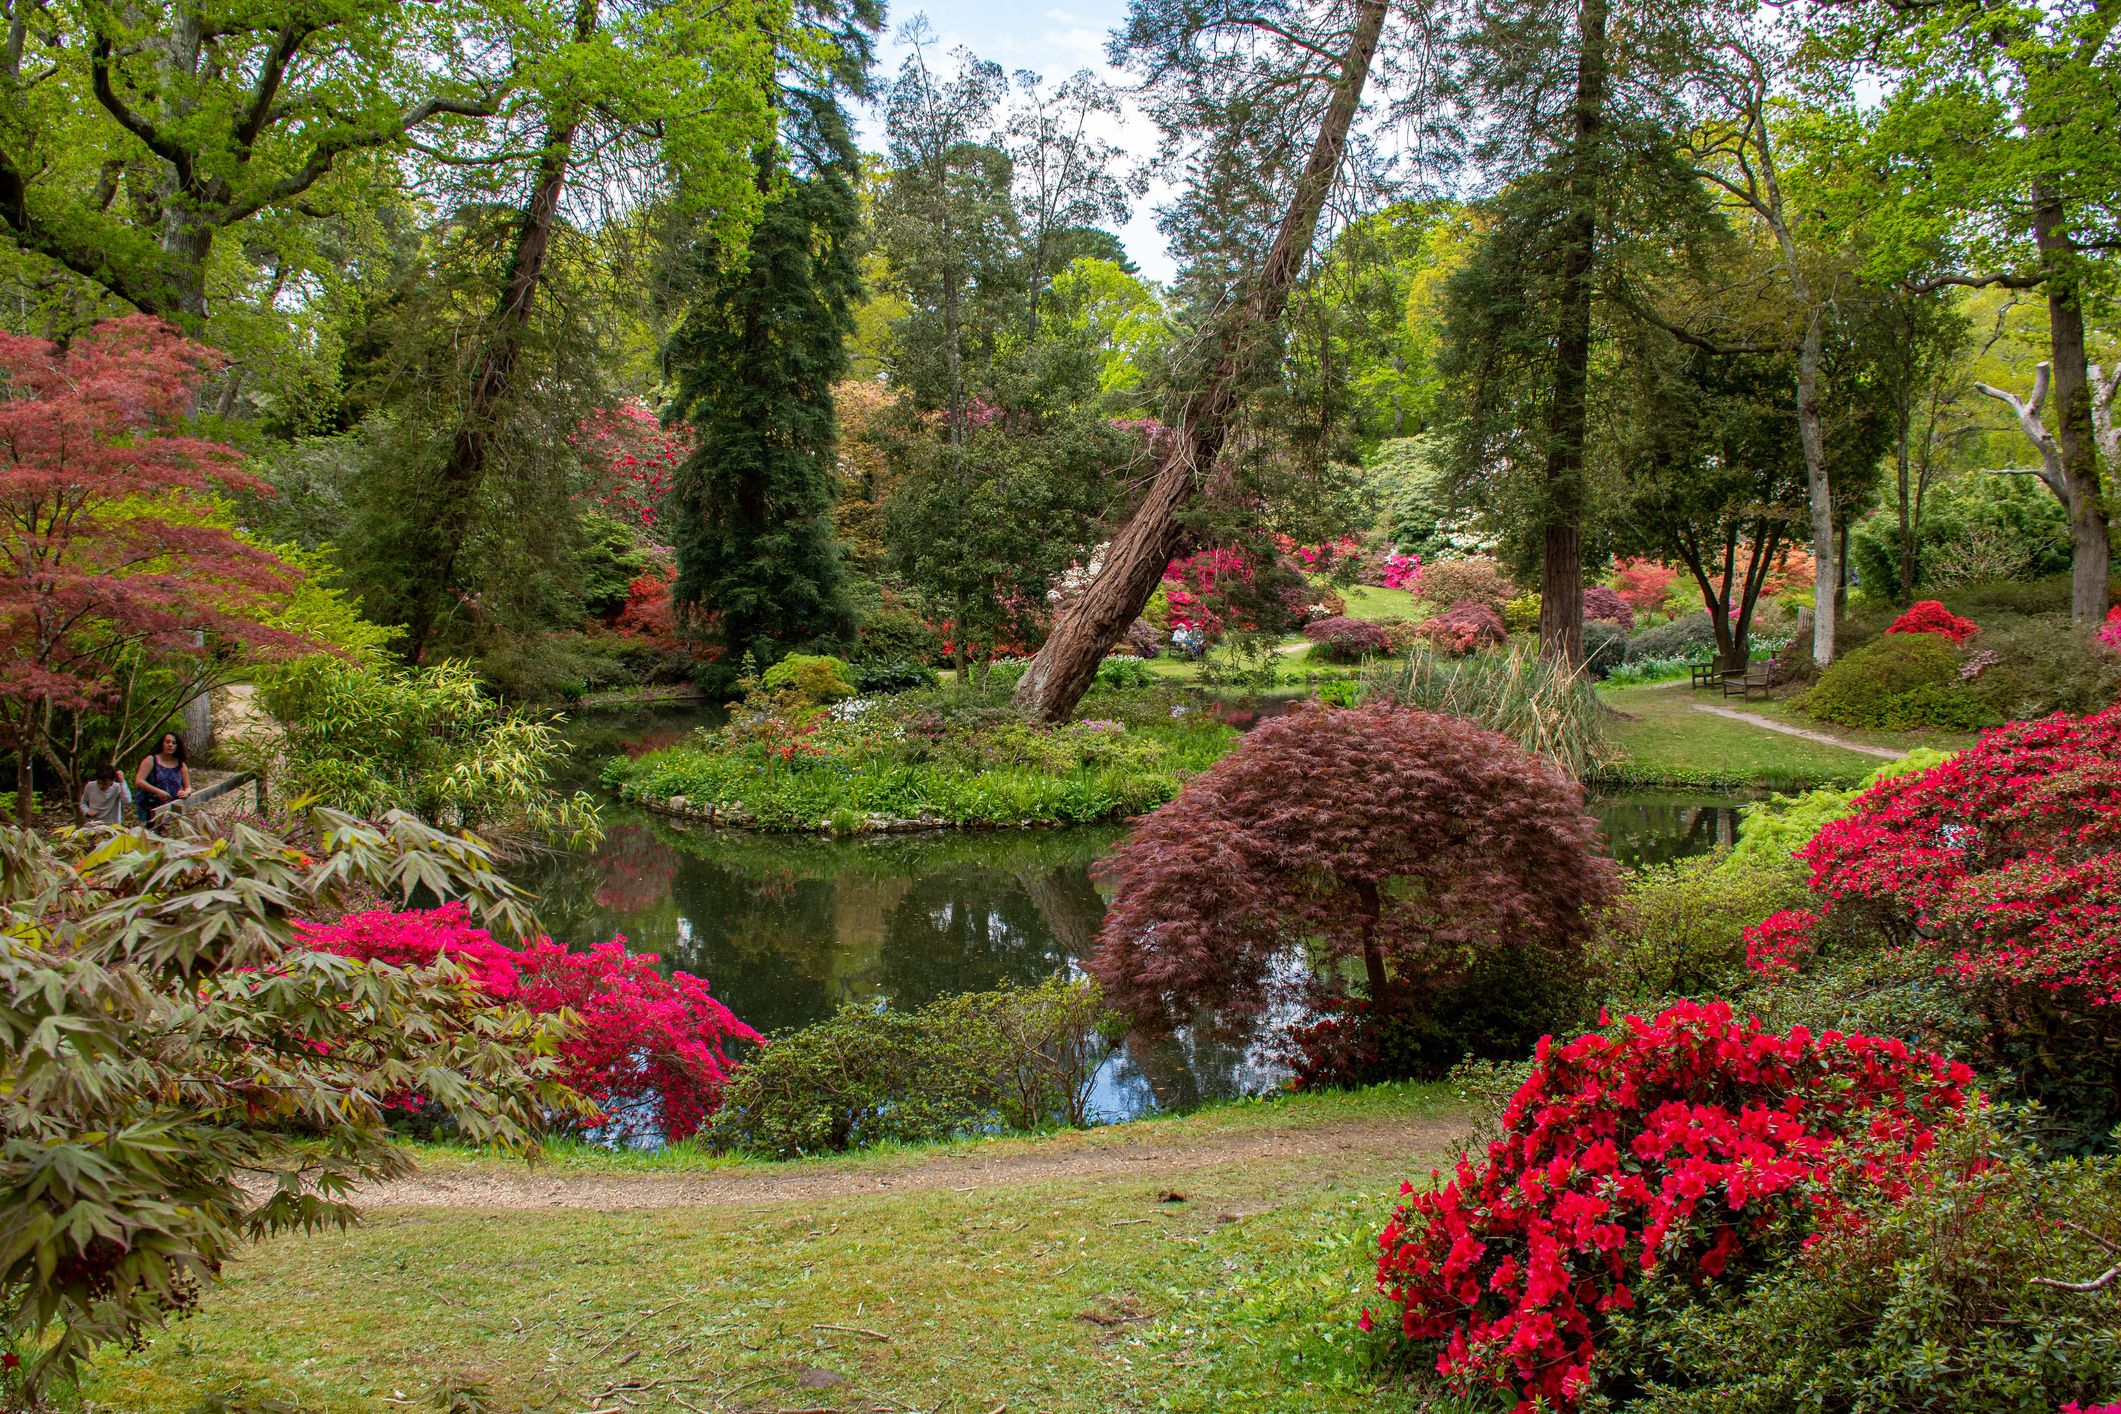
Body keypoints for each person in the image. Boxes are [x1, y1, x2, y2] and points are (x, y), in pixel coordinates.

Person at [134, 732, 190, 827]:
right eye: (167, 742)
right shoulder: (151, 760)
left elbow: (188, 787)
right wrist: (158, 792)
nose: (170, 745)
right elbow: (139, 781)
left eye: (173, 743)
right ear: (162, 743)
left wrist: (186, 793)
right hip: (150, 806)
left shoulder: (181, 765)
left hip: (173, 808)